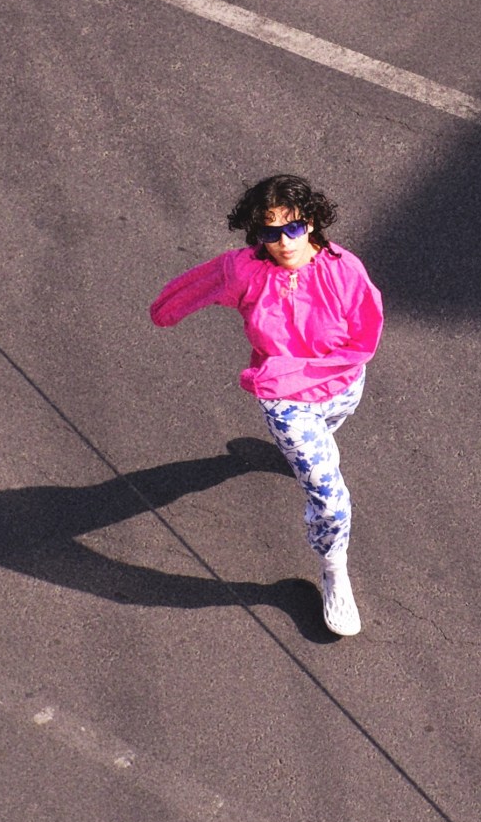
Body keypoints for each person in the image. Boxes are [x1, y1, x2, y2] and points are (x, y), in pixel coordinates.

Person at [149, 175, 384, 635]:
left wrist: (323, 372)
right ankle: (334, 571)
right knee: (331, 501)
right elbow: (183, 294)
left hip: (341, 389)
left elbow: (366, 335)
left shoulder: (344, 269)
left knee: (326, 441)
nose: (282, 242)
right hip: (284, 401)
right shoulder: (245, 271)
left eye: (292, 228)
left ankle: (310, 453)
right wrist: (166, 311)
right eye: (269, 232)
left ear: (311, 222)